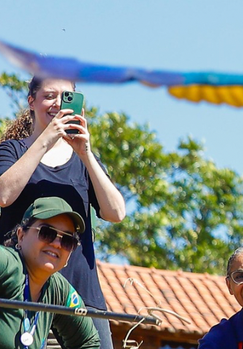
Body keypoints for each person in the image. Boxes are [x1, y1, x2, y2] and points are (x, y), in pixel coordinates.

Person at [0, 76, 126, 348]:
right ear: (31, 101)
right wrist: (46, 140)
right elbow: (3, 195)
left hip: (81, 296)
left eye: (66, 97)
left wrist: (86, 153)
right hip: (21, 294)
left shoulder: (83, 162)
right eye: (49, 96)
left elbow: (116, 212)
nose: (57, 103)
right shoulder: (12, 150)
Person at [0, 197, 100, 348]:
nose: (57, 244)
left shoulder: (60, 290)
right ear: (21, 236)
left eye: (67, 240)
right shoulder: (7, 264)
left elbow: (88, 342)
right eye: (46, 233)